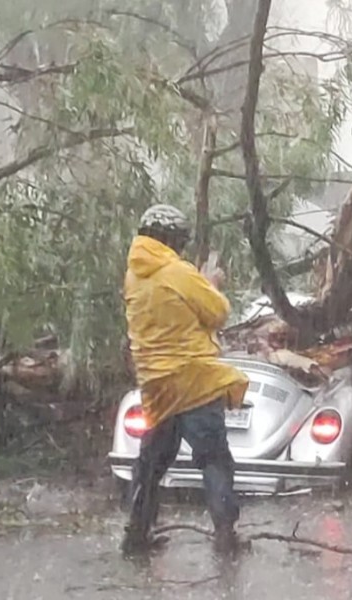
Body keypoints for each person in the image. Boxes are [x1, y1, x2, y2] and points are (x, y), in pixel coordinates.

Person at [121, 203, 249, 556]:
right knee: (213, 458)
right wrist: (211, 284)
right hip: (194, 380)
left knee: (151, 462)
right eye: (178, 241)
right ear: (170, 239)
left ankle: (137, 533)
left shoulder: (133, 275)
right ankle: (225, 535)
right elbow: (219, 312)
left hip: (156, 384)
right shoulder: (178, 271)